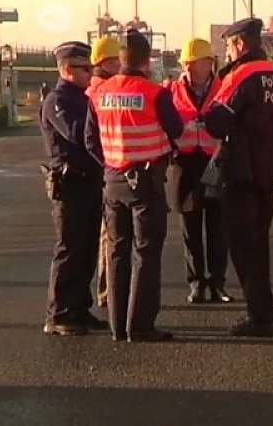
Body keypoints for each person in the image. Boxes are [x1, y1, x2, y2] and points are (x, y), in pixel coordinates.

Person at [85, 30, 184, 342]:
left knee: (116, 251)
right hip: (145, 182)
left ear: (121, 57)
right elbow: (177, 129)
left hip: (112, 181)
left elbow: (90, 140)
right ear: (146, 59)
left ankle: (116, 325)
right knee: (146, 252)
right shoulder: (155, 93)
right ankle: (139, 325)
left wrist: (113, 161)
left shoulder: (99, 93)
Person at [203, 17, 273, 337]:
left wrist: (207, 113)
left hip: (240, 171)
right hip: (269, 170)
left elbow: (217, 123)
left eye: (228, 45)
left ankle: (260, 317)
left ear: (240, 44)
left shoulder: (240, 76)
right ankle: (263, 313)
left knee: (243, 247)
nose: (226, 52)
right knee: (259, 244)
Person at [39, 41, 108, 336]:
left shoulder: (81, 97)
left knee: (87, 248)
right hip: (70, 183)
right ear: (68, 70)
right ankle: (59, 313)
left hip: (89, 181)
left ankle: (79, 308)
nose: (90, 73)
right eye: (85, 68)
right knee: (69, 249)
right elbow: (78, 132)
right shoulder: (59, 100)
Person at [166, 38, 232, 304]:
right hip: (184, 164)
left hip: (214, 162)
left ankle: (218, 283)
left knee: (218, 227)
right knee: (190, 229)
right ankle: (196, 283)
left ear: (210, 64)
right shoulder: (171, 90)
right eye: (187, 64)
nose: (191, 69)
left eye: (196, 64)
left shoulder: (224, 89)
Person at [88, 35, 123, 309]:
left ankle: (105, 291)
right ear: (109, 62)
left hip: (96, 171)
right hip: (112, 169)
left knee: (104, 235)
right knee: (111, 236)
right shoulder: (109, 91)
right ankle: (110, 291)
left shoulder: (89, 90)